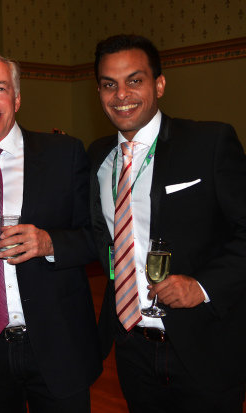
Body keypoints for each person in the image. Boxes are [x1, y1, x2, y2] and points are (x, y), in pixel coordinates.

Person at [0, 53, 102, 413]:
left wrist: (50, 242)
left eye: (1, 89)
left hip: (56, 343)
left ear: (18, 98)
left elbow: (98, 238)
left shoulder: (64, 155)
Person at [89, 34, 246, 413]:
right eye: (110, 84)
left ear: (159, 84)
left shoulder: (209, 142)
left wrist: (203, 286)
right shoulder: (97, 158)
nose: (121, 94)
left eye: (135, 80)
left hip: (204, 346)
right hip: (131, 349)